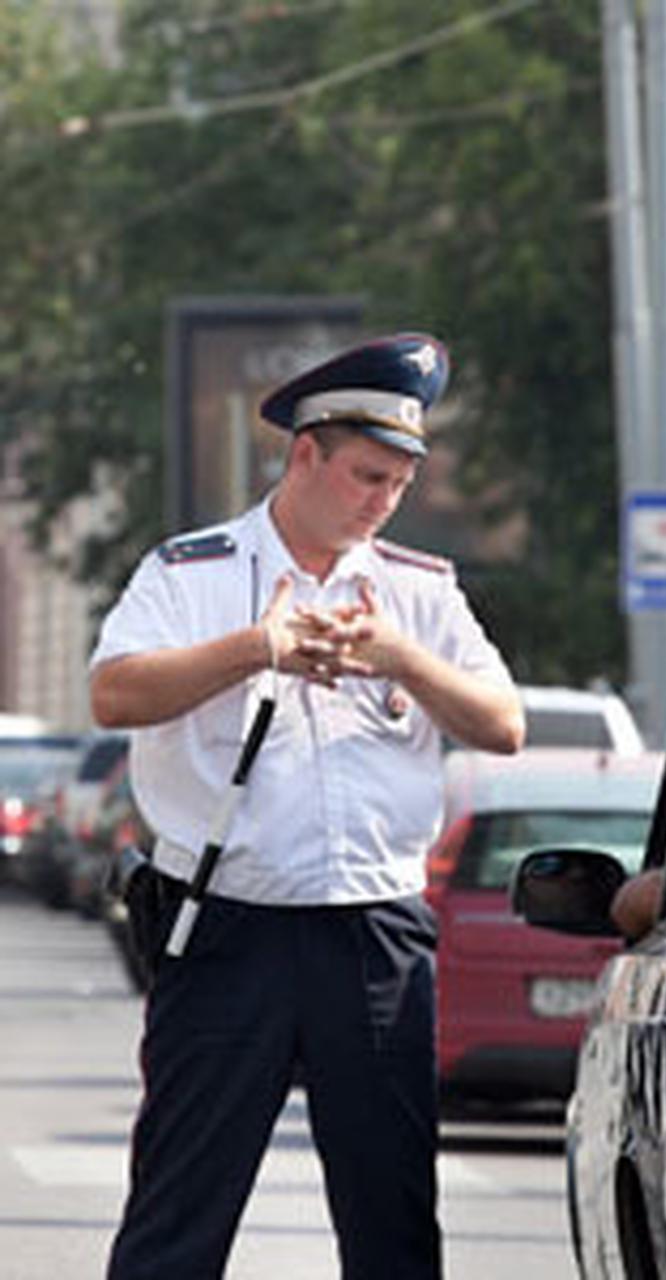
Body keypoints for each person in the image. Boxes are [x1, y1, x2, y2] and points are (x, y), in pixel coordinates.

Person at [91, 333, 525, 1279]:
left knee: (392, 1220)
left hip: (372, 932)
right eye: (366, 476)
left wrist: (401, 658)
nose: (380, 501)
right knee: (178, 1215)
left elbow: (503, 725)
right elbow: (114, 694)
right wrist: (259, 647)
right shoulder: (190, 573)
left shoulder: (420, 592)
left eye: (399, 484)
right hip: (228, 929)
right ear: (304, 456)